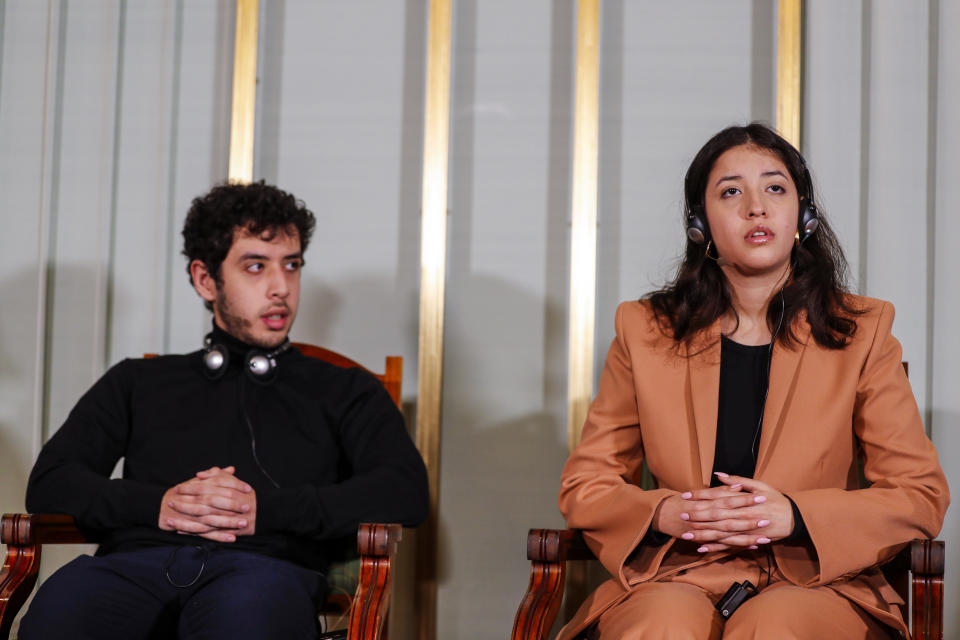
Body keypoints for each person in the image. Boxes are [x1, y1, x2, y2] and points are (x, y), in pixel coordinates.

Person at [556, 123, 949, 639]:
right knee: (662, 625)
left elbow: (919, 493)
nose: (756, 208)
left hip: (817, 582)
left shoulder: (862, 331)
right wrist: (667, 512)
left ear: (802, 215)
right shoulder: (645, 330)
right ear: (700, 223)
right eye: (731, 192)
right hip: (680, 574)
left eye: (775, 188)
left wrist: (796, 515)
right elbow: (587, 485)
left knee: (775, 624)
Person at [19, 181, 429, 639]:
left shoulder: (344, 389)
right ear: (205, 279)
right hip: (129, 569)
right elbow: (51, 482)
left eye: (291, 266)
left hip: (263, 572)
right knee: (61, 614)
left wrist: (263, 510)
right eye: (256, 266)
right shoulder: (137, 381)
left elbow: (405, 490)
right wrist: (159, 505)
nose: (281, 288)